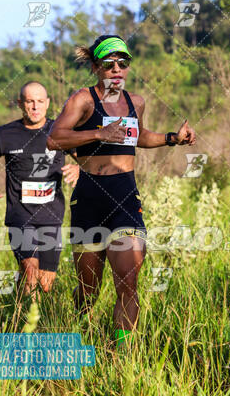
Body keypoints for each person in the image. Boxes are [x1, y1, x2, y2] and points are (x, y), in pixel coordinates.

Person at [47, 35, 196, 346]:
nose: (116, 69)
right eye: (108, 63)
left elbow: (138, 136)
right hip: (89, 195)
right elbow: (54, 138)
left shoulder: (135, 102)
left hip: (125, 194)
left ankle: (122, 351)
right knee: (88, 289)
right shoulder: (83, 100)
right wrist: (99, 132)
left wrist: (173, 138)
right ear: (96, 66)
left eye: (123, 63)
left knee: (128, 283)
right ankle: (75, 329)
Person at [0, 81, 79, 301]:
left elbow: (90, 161)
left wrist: (79, 169)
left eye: (40, 101)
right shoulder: (5, 134)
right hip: (19, 215)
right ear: (20, 103)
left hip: (51, 217)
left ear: (48, 103)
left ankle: (37, 318)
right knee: (30, 271)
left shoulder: (60, 132)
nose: (35, 106)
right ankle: (26, 325)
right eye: (30, 101)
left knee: (46, 282)